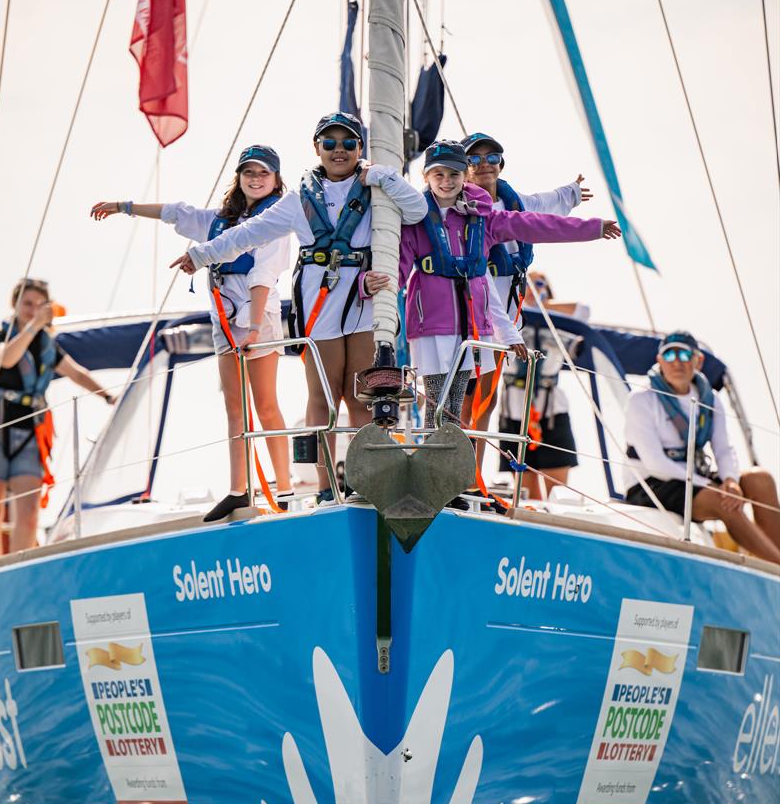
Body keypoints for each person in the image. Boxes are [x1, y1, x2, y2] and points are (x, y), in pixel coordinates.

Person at [169, 112, 428, 503]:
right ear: (316, 148)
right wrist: (202, 254)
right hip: (319, 300)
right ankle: (326, 489)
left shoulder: (375, 188)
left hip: (361, 300)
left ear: (360, 147)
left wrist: (384, 175)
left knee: (361, 395)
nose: (339, 151)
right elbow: (248, 233)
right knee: (322, 397)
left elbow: (418, 211)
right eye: (330, 143)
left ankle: (360, 483)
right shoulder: (297, 200)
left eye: (348, 143)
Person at [91, 145, 292, 522]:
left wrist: (251, 328)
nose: (255, 178)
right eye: (249, 172)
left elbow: (265, 273)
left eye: (263, 173)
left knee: (265, 404)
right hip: (222, 316)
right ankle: (238, 489)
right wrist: (123, 206)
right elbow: (175, 213)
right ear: (239, 178)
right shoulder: (218, 220)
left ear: (276, 179)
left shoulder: (276, 221)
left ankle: (285, 491)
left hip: (257, 315)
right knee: (235, 407)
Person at [394, 141, 621, 430]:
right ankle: (433, 462)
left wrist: (592, 228)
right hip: (431, 324)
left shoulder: (484, 219)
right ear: (426, 177)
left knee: (458, 403)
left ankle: (449, 467)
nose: (447, 182)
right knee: (439, 403)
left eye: (454, 174)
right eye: (438, 175)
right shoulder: (415, 219)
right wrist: (377, 293)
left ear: (464, 176)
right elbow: (397, 269)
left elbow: (538, 223)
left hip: (470, 326)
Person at [460, 130, 591, 433]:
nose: (484, 164)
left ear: (501, 164)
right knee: (463, 398)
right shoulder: (457, 208)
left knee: (486, 400)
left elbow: (547, 204)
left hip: (505, 311)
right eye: (474, 159)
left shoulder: (516, 203)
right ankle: (451, 469)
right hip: (468, 308)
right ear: (464, 167)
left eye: (491, 157)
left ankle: (471, 477)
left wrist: (572, 191)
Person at [0, 279, 114, 560]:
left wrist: (108, 396)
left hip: (30, 433)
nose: (32, 310)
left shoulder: (47, 348)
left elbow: (77, 373)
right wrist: (34, 325)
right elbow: (6, 359)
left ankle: (17, 575)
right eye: (27, 304)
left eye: (39, 305)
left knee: (28, 516)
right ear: (15, 306)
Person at [624, 330, 780, 564]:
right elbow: (655, 463)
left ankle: (772, 567)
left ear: (698, 361)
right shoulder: (642, 399)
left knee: (760, 479)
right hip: (650, 483)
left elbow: (723, 448)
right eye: (669, 355)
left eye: (685, 355)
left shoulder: (710, 399)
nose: (677, 362)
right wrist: (710, 485)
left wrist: (730, 481)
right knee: (721, 501)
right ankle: (777, 566)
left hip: (695, 478)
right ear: (659, 361)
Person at [497, 271, 588, 500]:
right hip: (514, 411)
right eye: (527, 284)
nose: (533, 289)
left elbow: (584, 311)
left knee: (557, 489)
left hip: (551, 411)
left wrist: (543, 304)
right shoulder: (506, 317)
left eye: (539, 284)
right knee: (525, 492)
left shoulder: (558, 324)